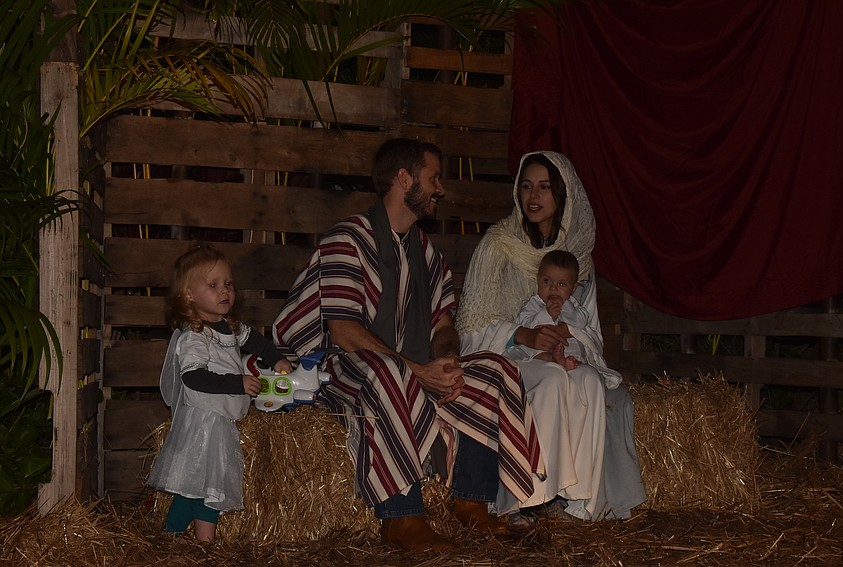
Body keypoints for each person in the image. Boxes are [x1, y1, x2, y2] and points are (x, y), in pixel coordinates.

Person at [273, 138, 542, 552]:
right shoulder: (347, 240)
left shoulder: (428, 254)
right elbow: (344, 332)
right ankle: (401, 517)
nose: (441, 189)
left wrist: (447, 361)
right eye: (433, 178)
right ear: (404, 179)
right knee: (388, 370)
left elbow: (444, 325)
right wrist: (419, 372)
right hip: (335, 370)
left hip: (410, 369)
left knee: (495, 370)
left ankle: (471, 501)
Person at [456, 151, 646, 520]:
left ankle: (581, 501)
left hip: (565, 355)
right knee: (554, 381)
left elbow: (592, 334)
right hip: (510, 357)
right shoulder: (498, 247)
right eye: (526, 186)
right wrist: (524, 335)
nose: (533, 196)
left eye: (544, 187)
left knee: (589, 381)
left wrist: (566, 335)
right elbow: (471, 330)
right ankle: (528, 494)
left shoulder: (578, 259)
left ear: (563, 195)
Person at [147, 244, 292, 542]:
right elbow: (194, 377)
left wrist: (277, 359)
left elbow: (255, 341)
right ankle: (206, 545)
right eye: (212, 285)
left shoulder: (230, 327)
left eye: (228, 284)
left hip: (219, 419)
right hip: (203, 422)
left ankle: (169, 535)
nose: (224, 291)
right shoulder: (194, 336)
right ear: (189, 295)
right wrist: (236, 383)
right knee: (210, 485)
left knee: (195, 486)